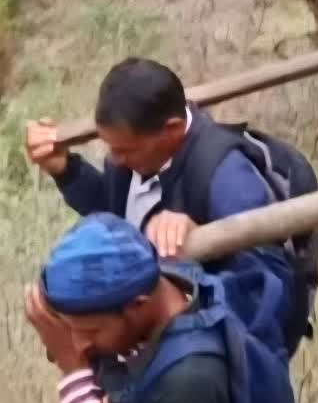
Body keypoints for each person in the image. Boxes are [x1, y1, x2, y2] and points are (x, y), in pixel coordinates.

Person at [24, 58, 297, 346]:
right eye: (112, 149)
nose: (115, 159)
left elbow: (269, 292)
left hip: (209, 350)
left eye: (125, 151)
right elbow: (118, 212)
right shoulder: (132, 157)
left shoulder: (229, 180)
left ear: (173, 129)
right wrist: (67, 171)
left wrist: (203, 242)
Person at [25, 213, 299, 403]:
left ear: (137, 304)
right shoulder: (175, 284)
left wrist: (75, 373)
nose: (79, 345)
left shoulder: (187, 383)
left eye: (91, 331)